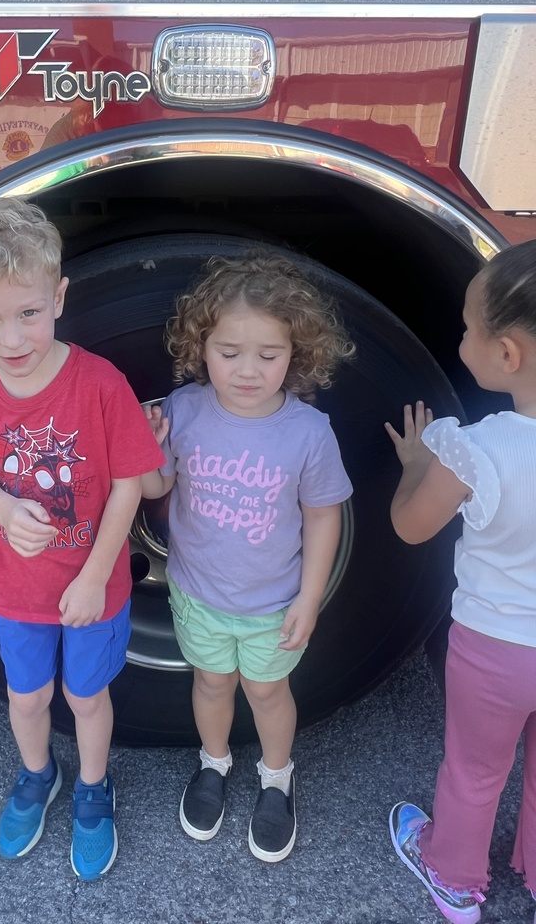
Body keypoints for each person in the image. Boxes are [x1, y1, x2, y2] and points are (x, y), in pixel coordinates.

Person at [0, 196, 165, 881]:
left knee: (86, 697)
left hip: (95, 584)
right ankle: (38, 775)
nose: (12, 338)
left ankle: (93, 788)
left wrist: (97, 575)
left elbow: (132, 482)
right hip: (15, 587)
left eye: (28, 313)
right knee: (28, 696)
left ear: (59, 296)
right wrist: (6, 511)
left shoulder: (99, 384)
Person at [141, 250, 354, 861]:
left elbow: (323, 514)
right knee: (211, 682)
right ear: (200, 346)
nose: (248, 370)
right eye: (229, 352)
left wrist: (310, 598)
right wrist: (151, 448)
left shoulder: (308, 431)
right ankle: (214, 764)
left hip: (273, 603)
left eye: (270, 355)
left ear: (297, 353)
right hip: (197, 592)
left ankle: (276, 778)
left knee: (265, 692)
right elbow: (157, 489)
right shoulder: (184, 410)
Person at [385, 239, 536, 924]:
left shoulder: (477, 448)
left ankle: (454, 881)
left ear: (507, 354)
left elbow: (412, 526)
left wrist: (417, 463)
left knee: (475, 772)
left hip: (494, 650)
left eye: (470, 327)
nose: (462, 337)